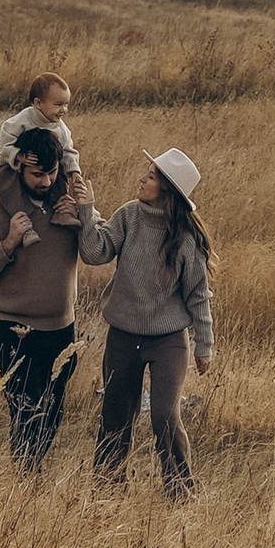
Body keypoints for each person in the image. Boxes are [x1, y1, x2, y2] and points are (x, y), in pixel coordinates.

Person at [78, 148, 214, 498]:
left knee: (164, 418)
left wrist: (204, 345)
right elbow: (95, 253)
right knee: (115, 416)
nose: (143, 179)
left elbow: (198, 293)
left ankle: (181, 495)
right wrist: (86, 211)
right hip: (123, 334)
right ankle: (106, 491)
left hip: (168, 339)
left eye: (151, 176)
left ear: (167, 191)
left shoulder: (185, 238)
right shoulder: (129, 216)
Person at [0, 125, 89, 466]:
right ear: (19, 166)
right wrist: (8, 244)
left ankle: (29, 481)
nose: (45, 181)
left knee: (51, 412)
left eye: (52, 172)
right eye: (37, 174)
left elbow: (95, 252)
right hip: (10, 327)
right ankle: (22, 480)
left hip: (61, 329)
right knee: (26, 408)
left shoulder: (68, 203)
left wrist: (85, 214)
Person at [0, 71, 77, 175]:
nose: (64, 110)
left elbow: (67, 151)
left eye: (66, 104)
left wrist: (73, 171)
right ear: (38, 103)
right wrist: (18, 155)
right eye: (58, 105)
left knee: (60, 185)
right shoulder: (23, 120)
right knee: (12, 187)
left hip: (40, 169)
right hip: (5, 165)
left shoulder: (61, 129)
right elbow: (4, 141)